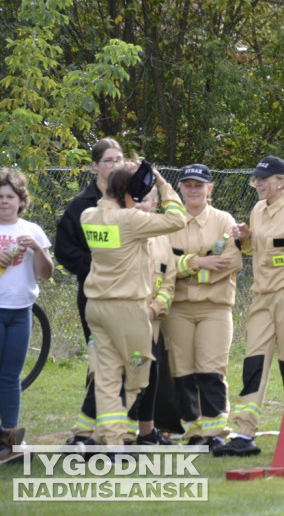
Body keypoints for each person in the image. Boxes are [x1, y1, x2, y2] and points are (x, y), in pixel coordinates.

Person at [215, 157, 284, 457]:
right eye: (256, 179)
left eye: (264, 178)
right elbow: (255, 251)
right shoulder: (258, 210)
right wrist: (244, 240)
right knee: (253, 362)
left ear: (282, 181)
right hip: (261, 296)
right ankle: (245, 432)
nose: (257, 183)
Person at [80, 161, 186, 446]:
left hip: (96, 308)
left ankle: (110, 442)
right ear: (128, 192)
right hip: (126, 309)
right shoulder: (131, 220)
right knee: (138, 373)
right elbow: (177, 220)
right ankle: (114, 435)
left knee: (106, 375)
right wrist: (163, 186)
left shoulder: (89, 215)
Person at [164, 164, 243, 449]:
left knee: (211, 370)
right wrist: (200, 262)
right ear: (181, 189)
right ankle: (193, 432)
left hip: (215, 308)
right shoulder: (170, 222)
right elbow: (162, 265)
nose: (193, 190)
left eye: (199, 185)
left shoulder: (224, 221)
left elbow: (233, 262)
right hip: (178, 309)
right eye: (188, 185)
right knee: (182, 372)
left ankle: (216, 433)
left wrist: (184, 269)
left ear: (210, 189)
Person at [54, 138, 123, 443]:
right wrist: (98, 267)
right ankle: (85, 433)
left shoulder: (131, 201)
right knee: (100, 362)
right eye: (109, 160)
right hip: (94, 296)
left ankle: (126, 429)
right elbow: (65, 251)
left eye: (119, 160)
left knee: (129, 362)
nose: (115, 165)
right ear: (95, 165)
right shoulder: (81, 205)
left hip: (131, 297)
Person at [0, 168, 54, 458]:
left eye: (10, 196)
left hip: (22, 313)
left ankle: (9, 441)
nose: (4, 201)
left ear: (21, 201)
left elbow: (46, 274)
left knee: (10, 377)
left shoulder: (32, 231)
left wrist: (39, 251)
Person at [128, 183, 176, 445]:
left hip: (151, 322)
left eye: (145, 200)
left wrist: (154, 308)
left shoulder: (163, 237)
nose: (139, 205)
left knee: (151, 377)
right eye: (135, 200)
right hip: (124, 322)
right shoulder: (123, 231)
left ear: (154, 205)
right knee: (128, 377)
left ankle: (147, 433)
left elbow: (169, 281)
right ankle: (121, 434)